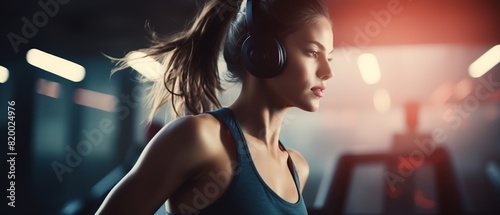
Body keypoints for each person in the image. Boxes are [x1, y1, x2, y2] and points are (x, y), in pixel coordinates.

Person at [96, 0, 333, 214]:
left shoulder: (297, 168)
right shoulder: (201, 138)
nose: (328, 72)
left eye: (329, 57)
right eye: (313, 52)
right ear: (264, 53)